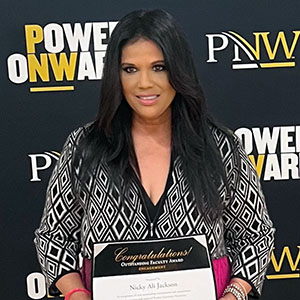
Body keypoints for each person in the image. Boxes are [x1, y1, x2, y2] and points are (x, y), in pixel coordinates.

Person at [34, 9, 275, 300]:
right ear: (115, 74)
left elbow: (256, 234)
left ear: (178, 70)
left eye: (159, 67)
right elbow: (53, 237)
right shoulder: (85, 147)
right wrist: (77, 294)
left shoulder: (221, 146)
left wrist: (234, 294)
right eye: (130, 69)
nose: (145, 83)